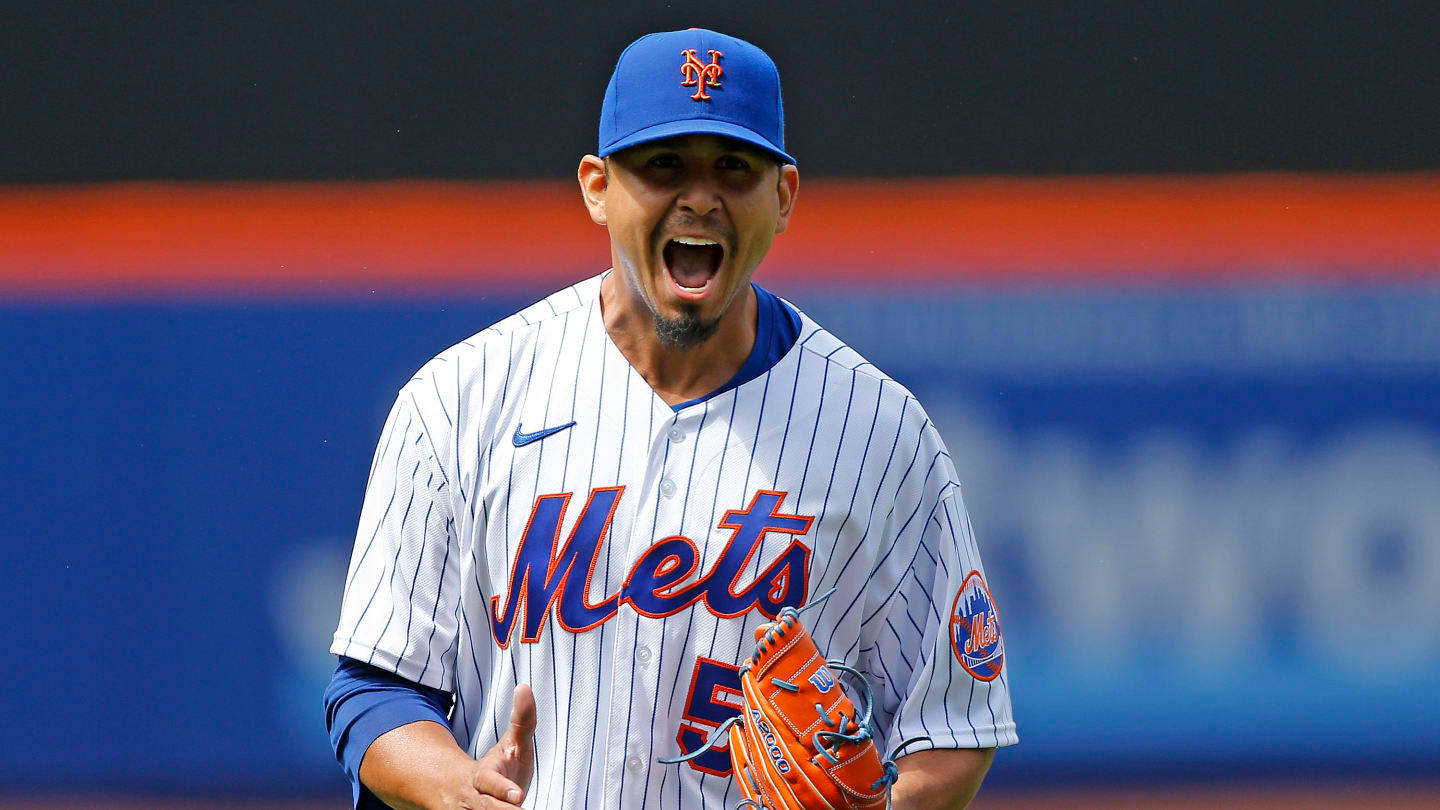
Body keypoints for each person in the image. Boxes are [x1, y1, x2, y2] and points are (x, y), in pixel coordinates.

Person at [324, 27, 1016, 810]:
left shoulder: (882, 433)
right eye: (662, 166)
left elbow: (953, 726)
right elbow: (374, 690)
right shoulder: (460, 400)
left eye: (734, 167)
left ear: (783, 196)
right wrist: (459, 788)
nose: (699, 196)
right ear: (596, 187)